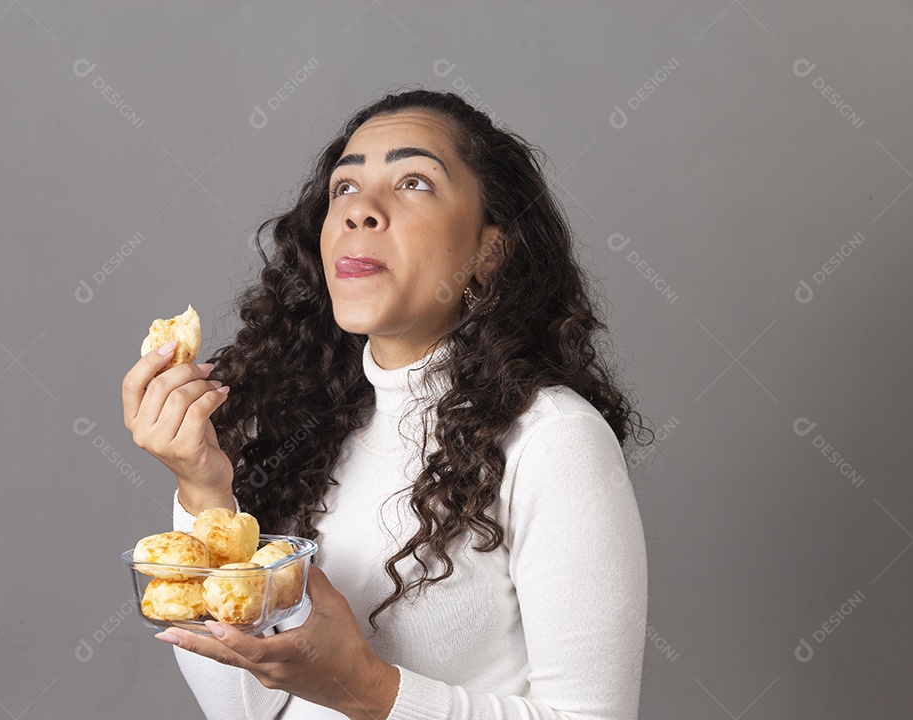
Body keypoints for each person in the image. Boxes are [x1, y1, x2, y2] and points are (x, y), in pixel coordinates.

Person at [121, 87, 653, 720]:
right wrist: (204, 493)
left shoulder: (552, 439)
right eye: (344, 189)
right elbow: (244, 710)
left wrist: (365, 688)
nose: (361, 211)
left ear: (490, 251)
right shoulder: (312, 430)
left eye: (414, 183)